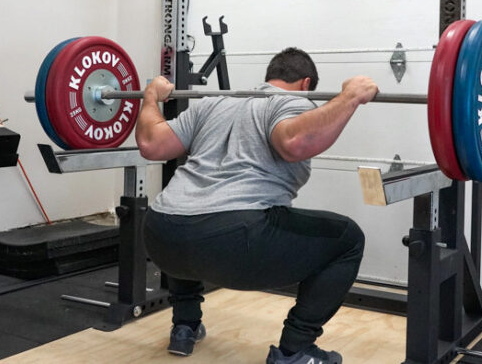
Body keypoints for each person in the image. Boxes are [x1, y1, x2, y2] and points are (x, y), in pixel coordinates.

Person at [135, 47, 379, 364]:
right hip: (233, 243)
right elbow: (293, 143)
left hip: (160, 235)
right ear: (306, 84)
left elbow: (151, 145)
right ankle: (295, 350)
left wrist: (151, 96)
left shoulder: (216, 103)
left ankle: (185, 326)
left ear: (270, 76)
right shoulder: (291, 101)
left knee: (188, 212)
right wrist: (350, 96)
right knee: (348, 239)